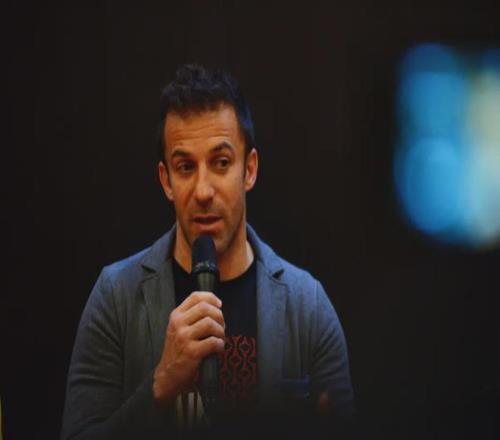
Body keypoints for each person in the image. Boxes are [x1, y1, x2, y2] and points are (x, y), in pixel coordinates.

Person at [61, 64, 355, 440]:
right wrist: (160, 385)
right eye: (185, 167)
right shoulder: (116, 296)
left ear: (249, 170)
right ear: (166, 180)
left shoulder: (307, 304)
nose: (203, 190)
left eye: (221, 163)